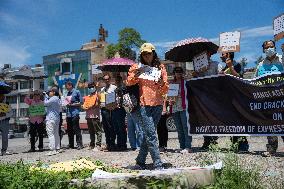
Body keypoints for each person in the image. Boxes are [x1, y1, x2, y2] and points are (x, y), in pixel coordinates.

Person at [127, 43, 169, 169]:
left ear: (153, 53)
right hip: (143, 104)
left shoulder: (161, 67)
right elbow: (128, 82)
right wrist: (136, 74)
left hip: (157, 104)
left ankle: (140, 161)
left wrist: (162, 83)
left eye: (148, 53)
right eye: (144, 54)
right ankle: (157, 163)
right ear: (141, 55)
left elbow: (165, 89)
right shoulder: (136, 66)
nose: (146, 56)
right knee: (151, 134)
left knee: (148, 134)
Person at [255, 40, 284, 156]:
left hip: (282, 99)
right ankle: (271, 149)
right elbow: (255, 81)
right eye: (267, 47)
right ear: (263, 50)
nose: (269, 49)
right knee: (271, 125)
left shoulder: (282, 60)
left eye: (271, 46)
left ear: (275, 47)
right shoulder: (261, 65)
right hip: (268, 100)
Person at [220, 52, 249, 152]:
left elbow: (240, 78)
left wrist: (230, 67)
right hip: (228, 98)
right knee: (232, 122)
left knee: (239, 121)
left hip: (238, 98)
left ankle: (243, 145)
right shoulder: (224, 68)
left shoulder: (237, 65)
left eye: (223, 54)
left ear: (228, 55)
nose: (221, 56)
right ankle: (234, 144)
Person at [192, 51, 219, 150]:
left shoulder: (216, 64)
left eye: (205, 53)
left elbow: (221, 78)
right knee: (203, 119)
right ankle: (206, 141)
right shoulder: (197, 67)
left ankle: (214, 141)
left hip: (213, 97)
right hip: (201, 98)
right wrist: (195, 74)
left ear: (209, 54)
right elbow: (195, 82)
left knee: (213, 119)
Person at [170, 67, 193, 153]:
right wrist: (170, 100)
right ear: (174, 73)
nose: (178, 73)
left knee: (185, 127)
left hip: (184, 107)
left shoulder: (186, 82)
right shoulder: (171, 83)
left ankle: (188, 146)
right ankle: (182, 146)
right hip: (175, 107)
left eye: (180, 72)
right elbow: (169, 96)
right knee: (179, 128)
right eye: (177, 72)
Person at [100, 74, 117, 151]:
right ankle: (108, 144)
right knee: (106, 128)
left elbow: (116, 98)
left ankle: (112, 144)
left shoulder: (113, 87)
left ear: (109, 79)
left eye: (107, 79)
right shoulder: (102, 89)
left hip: (111, 110)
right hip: (103, 109)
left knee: (111, 127)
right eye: (105, 79)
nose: (106, 80)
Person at [65, 81, 83, 150]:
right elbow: (67, 104)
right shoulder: (67, 93)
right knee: (69, 130)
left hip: (75, 113)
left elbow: (81, 102)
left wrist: (72, 104)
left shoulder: (77, 92)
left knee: (76, 129)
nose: (66, 88)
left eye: (66, 86)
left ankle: (79, 144)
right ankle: (71, 144)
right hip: (69, 114)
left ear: (70, 85)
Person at [44, 87, 61, 156]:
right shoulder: (58, 99)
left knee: (50, 134)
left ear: (53, 92)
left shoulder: (53, 98)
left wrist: (45, 97)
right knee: (56, 133)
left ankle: (52, 150)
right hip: (56, 118)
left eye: (50, 91)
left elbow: (45, 103)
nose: (49, 93)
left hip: (51, 118)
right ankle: (57, 148)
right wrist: (47, 97)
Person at [112, 75, 127, 151]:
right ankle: (119, 144)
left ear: (121, 81)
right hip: (114, 109)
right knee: (116, 128)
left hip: (121, 109)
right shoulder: (115, 89)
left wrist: (120, 93)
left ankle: (123, 145)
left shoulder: (123, 88)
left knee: (121, 128)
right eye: (116, 80)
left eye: (118, 80)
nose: (117, 81)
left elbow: (125, 98)